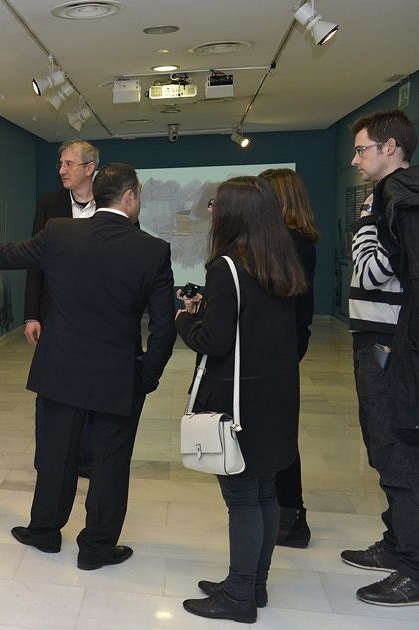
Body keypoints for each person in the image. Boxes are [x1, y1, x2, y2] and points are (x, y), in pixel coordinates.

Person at [0, 162, 176, 571]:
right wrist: (146, 376)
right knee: (110, 464)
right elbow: (163, 327)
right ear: (129, 196)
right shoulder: (152, 250)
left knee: (56, 455)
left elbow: (11, 254)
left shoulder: (59, 232)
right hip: (117, 375)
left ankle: (44, 533)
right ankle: (97, 549)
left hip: (61, 369)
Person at [176, 176, 308, 623]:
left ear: (234, 213)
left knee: (242, 499)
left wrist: (183, 321)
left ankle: (238, 597)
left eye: (216, 204)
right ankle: (254, 583)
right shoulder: (281, 261)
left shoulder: (226, 267)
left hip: (238, 399)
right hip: (276, 394)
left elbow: (214, 341)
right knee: (266, 490)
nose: (211, 210)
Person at [339, 111, 416, 595]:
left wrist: (364, 230)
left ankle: (411, 562)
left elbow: (371, 271)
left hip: (389, 342)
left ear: (390, 147)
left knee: (394, 445)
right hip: (377, 337)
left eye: (363, 149)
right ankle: (398, 539)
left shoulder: (397, 198)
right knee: (382, 442)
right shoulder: (386, 199)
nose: (356, 158)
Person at [25, 139, 99, 478]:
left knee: (89, 389)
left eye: (69, 164)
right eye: (60, 164)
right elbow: (34, 262)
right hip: (54, 314)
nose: (61, 170)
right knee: (49, 389)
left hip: (96, 317)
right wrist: (31, 314)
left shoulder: (110, 203)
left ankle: (84, 458)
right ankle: (49, 459)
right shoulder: (49, 204)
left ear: (89, 168)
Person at [259, 168, 319, 547]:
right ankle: (285, 510)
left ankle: (291, 514)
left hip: (280, 344)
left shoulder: (290, 242)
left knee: (277, 431)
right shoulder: (297, 240)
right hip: (287, 340)